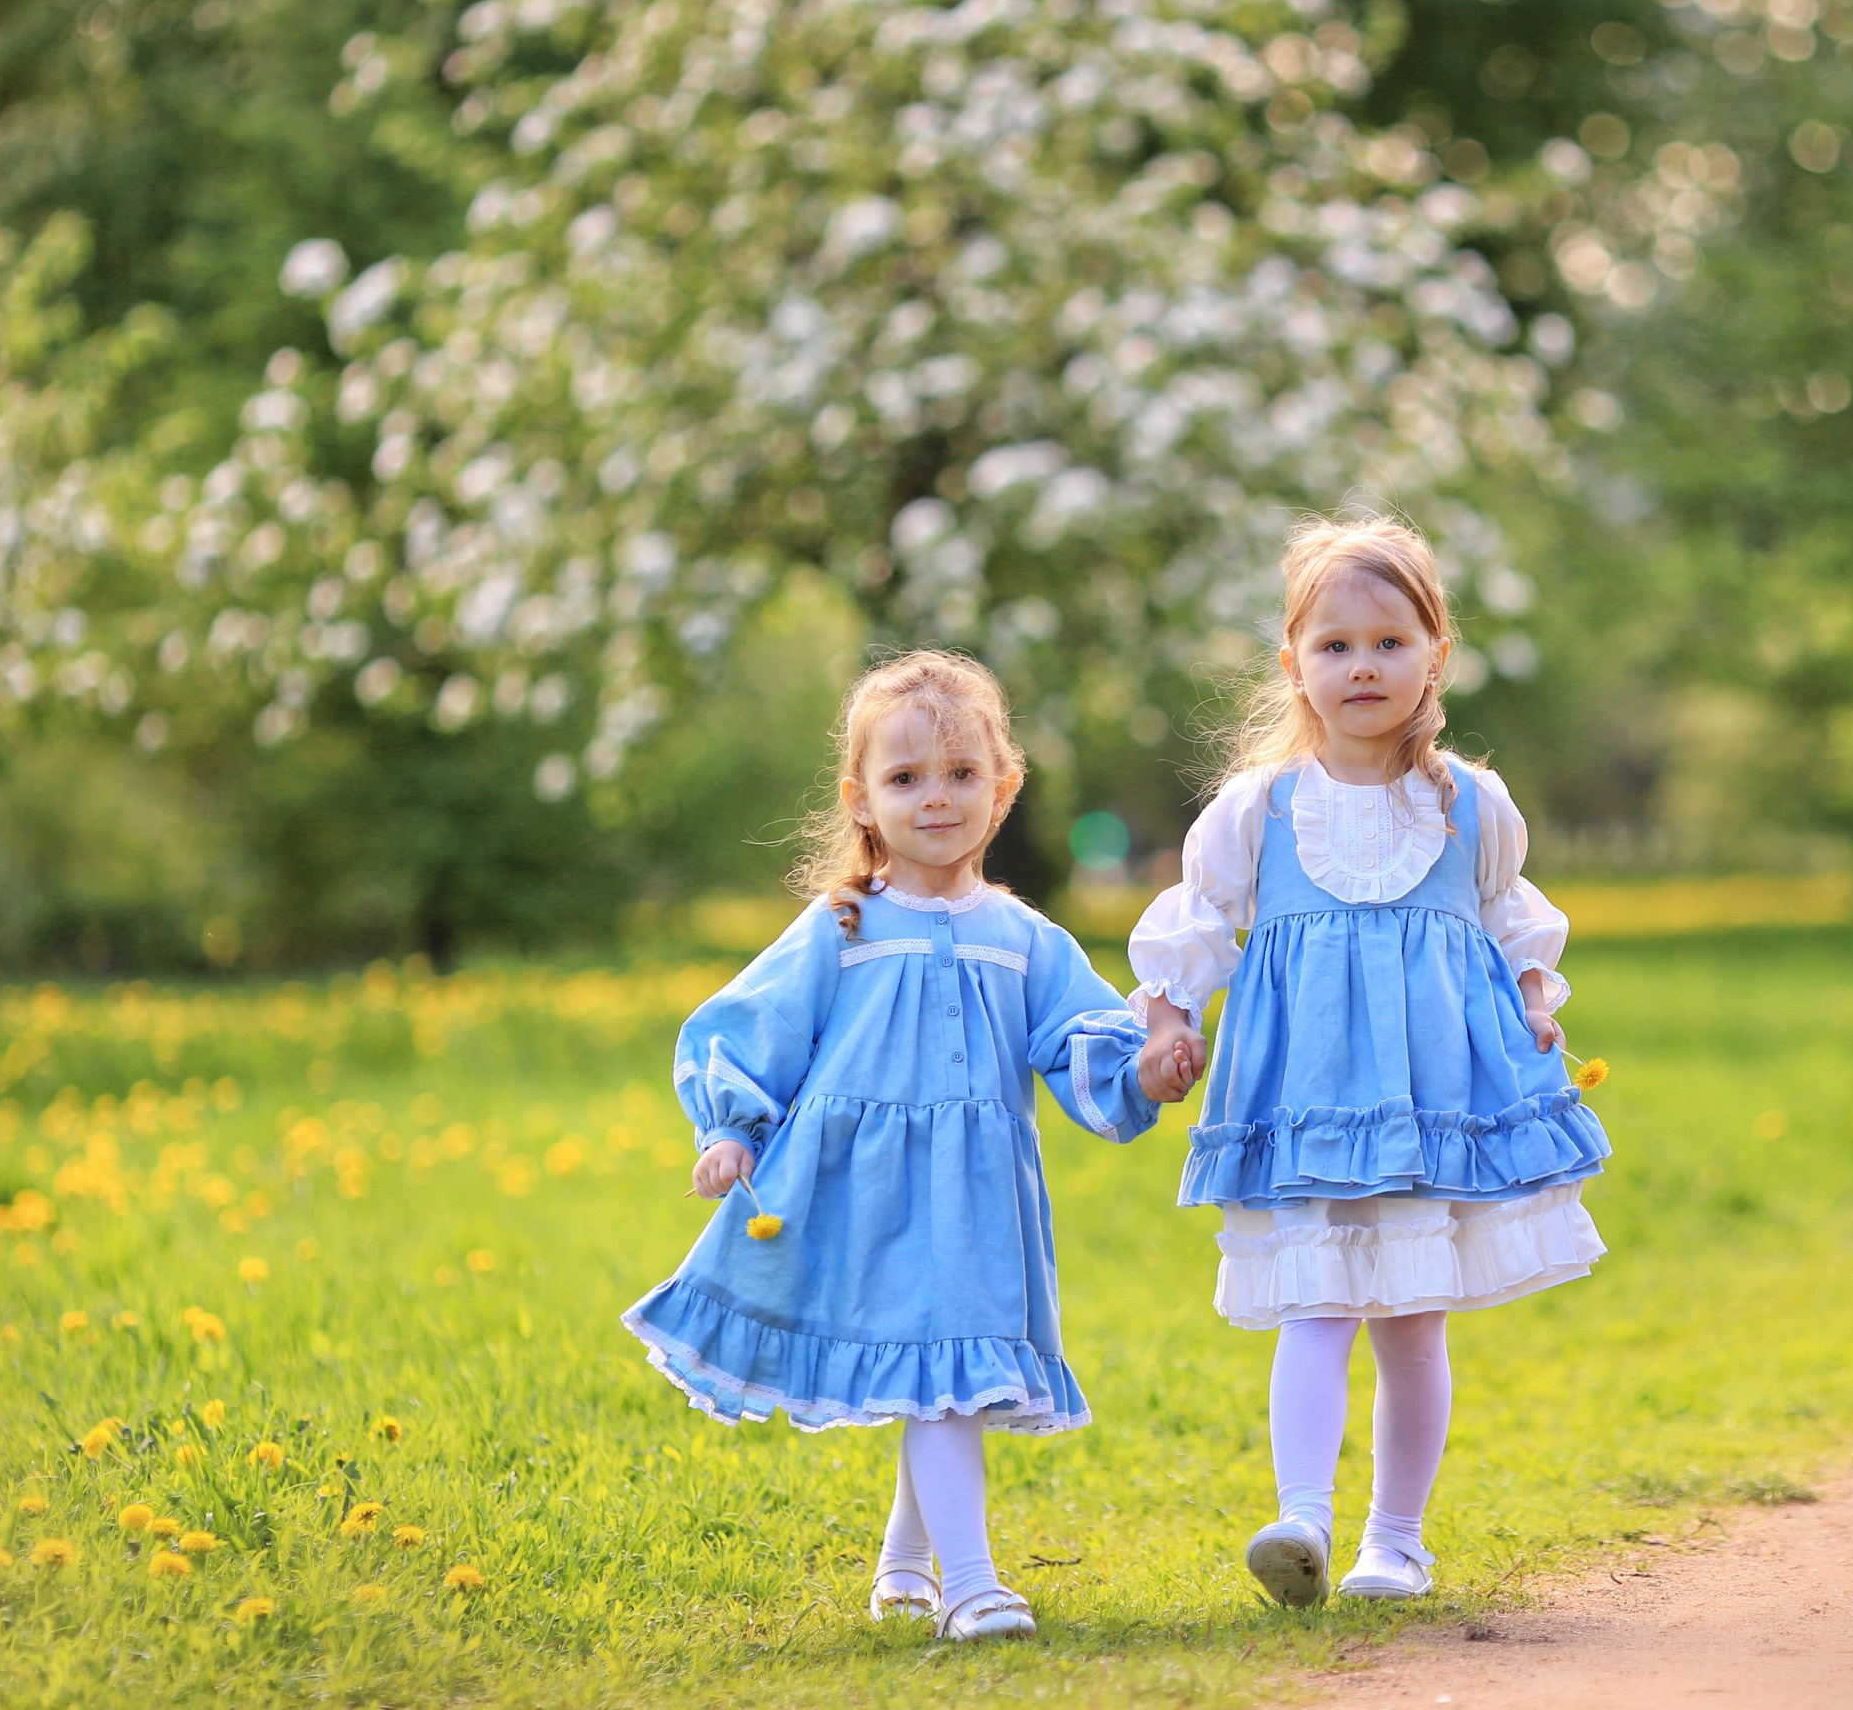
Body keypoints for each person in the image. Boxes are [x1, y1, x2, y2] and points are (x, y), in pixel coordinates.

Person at [623, 651, 1172, 1642]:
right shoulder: (841, 927)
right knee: (936, 1369)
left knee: (942, 1370)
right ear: (863, 798)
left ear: (1003, 789)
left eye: (962, 773)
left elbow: (1084, 1039)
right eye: (906, 777)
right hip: (861, 1193)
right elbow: (747, 1027)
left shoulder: (1024, 937)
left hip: (972, 1200)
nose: (936, 797)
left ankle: (908, 1564)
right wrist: (730, 1128)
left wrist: (1144, 1071)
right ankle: (969, 1584)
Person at [1129, 513, 1610, 1607]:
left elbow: (1511, 920)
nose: (1362, 666)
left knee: (1407, 1314)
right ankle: (1301, 1515)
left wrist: (1538, 999)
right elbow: (1193, 926)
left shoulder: (1469, 805)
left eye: (1389, 642)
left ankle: (1394, 1539)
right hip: (1305, 1101)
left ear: (1436, 655)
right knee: (1313, 1301)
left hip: (1429, 1096)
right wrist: (1166, 1023)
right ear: (1292, 662)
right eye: (1335, 644)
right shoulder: (1259, 809)